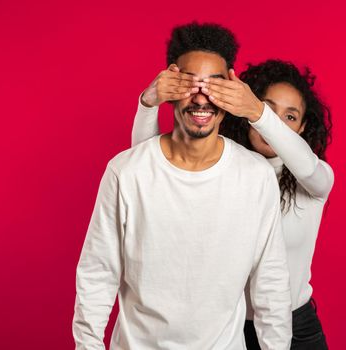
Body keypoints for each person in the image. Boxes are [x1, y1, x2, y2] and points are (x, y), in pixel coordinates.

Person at [73, 23, 292, 350]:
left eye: (215, 85)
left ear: (231, 88)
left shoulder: (256, 176)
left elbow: (271, 284)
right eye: (189, 83)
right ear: (170, 84)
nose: (202, 97)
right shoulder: (125, 172)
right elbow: (97, 275)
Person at [132, 59, 333, 349]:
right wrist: (148, 104)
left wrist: (259, 112)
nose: (274, 122)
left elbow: (309, 168)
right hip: (225, 328)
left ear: (301, 128)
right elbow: (145, 169)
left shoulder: (315, 180)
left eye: (289, 117)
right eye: (268, 108)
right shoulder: (220, 171)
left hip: (294, 328)